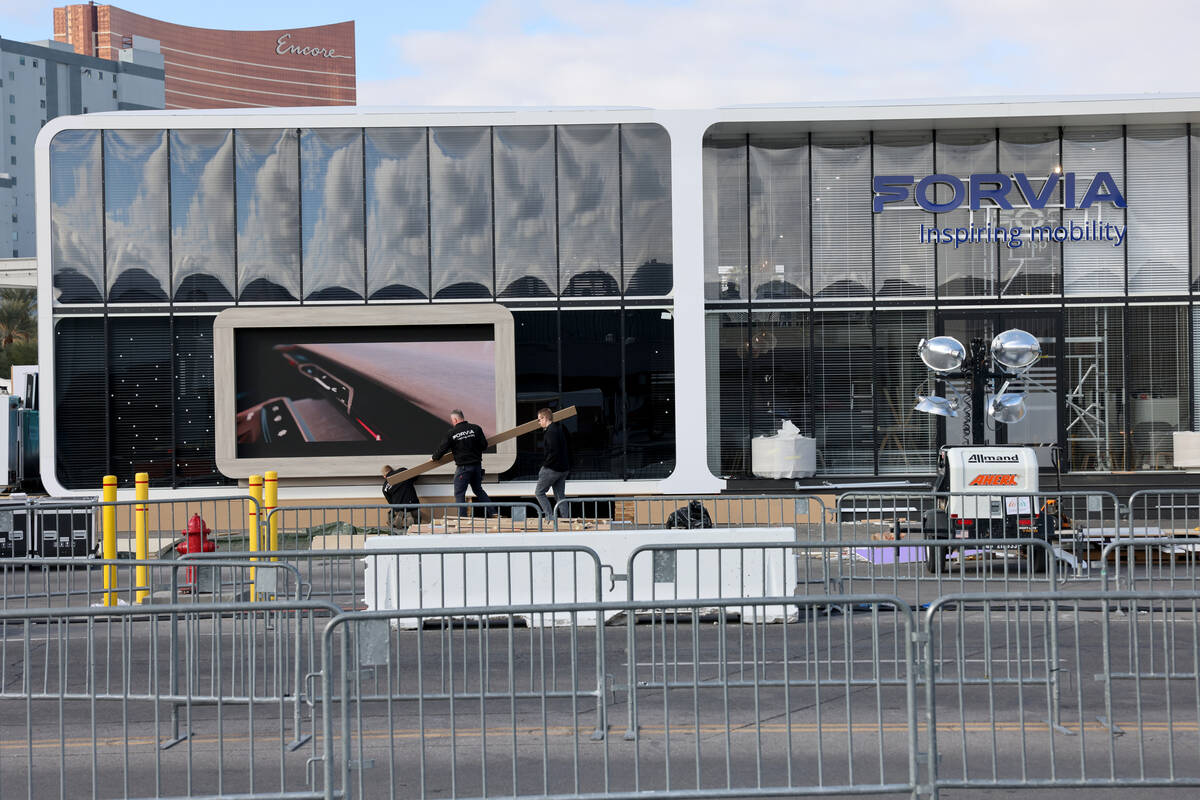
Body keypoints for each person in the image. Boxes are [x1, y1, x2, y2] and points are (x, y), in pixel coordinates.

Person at [432, 409, 491, 512]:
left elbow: (442, 449)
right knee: (478, 490)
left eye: (452, 420)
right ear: (462, 417)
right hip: (477, 466)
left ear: (455, 419)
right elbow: (484, 446)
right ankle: (494, 513)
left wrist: (434, 457)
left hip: (463, 468)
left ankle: (462, 519)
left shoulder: (452, 433)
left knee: (459, 494)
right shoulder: (476, 428)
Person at [534, 407, 570, 520]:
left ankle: (549, 517)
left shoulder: (550, 432)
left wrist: (544, 466)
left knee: (539, 492)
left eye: (539, 420)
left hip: (552, 468)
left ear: (545, 418)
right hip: (563, 468)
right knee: (560, 496)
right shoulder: (559, 429)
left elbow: (553, 452)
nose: (539, 422)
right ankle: (565, 519)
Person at [380, 464, 420, 531]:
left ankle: (400, 522)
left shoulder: (384, 487)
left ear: (384, 476)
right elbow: (415, 477)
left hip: (399, 507)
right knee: (414, 527)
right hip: (412, 503)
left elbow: (391, 502)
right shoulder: (402, 471)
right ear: (392, 470)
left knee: (399, 528)